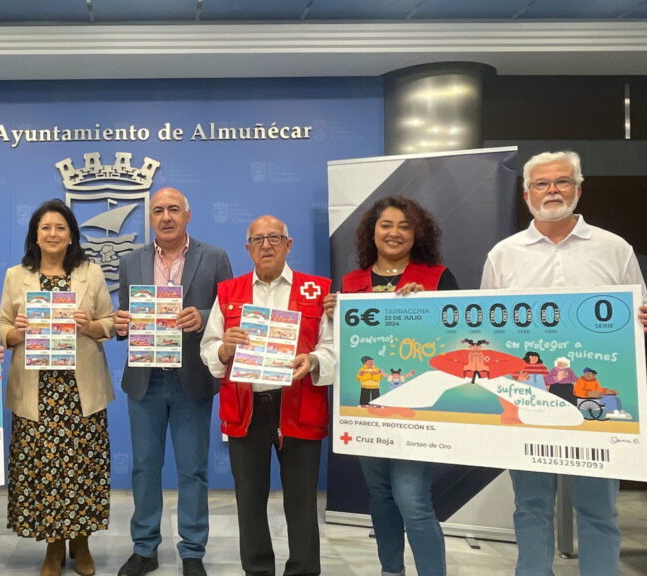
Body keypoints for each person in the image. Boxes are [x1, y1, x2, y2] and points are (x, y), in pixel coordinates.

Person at [481, 150, 647, 576]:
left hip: (593, 406)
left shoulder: (615, 248)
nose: (552, 190)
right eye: (541, 183)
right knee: (531, 504)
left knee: (598, 508)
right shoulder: (503, 254)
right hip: (528, 401)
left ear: (578, 189)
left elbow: (637, 317)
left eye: (562, 182)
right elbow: (489, 328)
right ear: (527, 194)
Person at [324, 195, 456, 576]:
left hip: (419, 412)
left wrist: (429, 305)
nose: (394, 233)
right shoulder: (351, 284)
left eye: (404, 226)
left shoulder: (437, 278)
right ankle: (391, 570)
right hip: (367, 408)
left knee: (412, 499)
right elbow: (341, 348)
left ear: (418, 234)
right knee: (381, 496)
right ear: (372, 232)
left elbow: (458, 336)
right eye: (386, 225)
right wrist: (333, 316)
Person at [200, 214, 334, 576]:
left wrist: (314, 360)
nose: (266, 245)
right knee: (249, 501)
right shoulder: (229, 292)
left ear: (289, 245)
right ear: (248, 249)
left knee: (301, 501)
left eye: (274, 237)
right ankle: (257, 570)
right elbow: (208, 348)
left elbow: (332, 347)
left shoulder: (317, 290)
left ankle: (303, 570)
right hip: (247, 409)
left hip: (299, 404)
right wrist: (224, 349)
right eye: (257, 240)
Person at [113, 188, 232, 576]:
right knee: (144, 469)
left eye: (174, 209)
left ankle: (192, 551)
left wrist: (202, 316)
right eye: (158, 210)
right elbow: (124, 317)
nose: (166, 216)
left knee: (193, 470)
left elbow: (230, 311)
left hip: (191, 379)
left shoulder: (214, 257)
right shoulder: (130, 261)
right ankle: (144, 548)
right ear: (150, 218)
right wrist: (119, 323)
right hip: (144, 380)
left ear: (188, 215)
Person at [0, 199, 115, 576]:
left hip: (80, 391)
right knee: (43, 471)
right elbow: (1, 327)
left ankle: (81, 543)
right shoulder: (16, 275)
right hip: (37, 391)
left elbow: (110, 321)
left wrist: (90, 326)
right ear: (35, 235)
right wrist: (16, 332)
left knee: (83, 470)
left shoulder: (90, 272)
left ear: (71, 236)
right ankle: (52, 547)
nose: (53, 234)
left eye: (60, 227)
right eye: (46, 227)